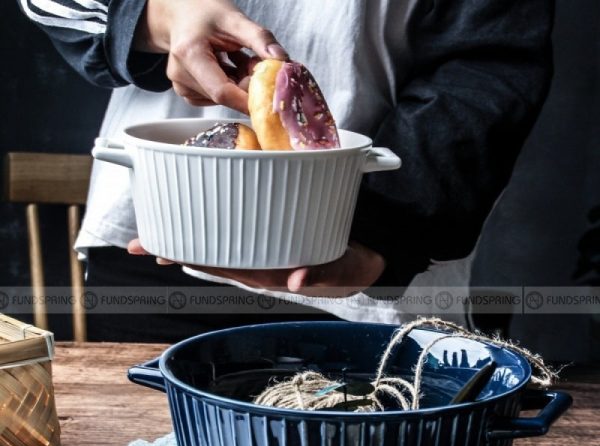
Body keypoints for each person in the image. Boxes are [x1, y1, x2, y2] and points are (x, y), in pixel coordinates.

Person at [18, 0, 554, 339]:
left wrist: (387, 231)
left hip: (363, 268)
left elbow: (487, 66)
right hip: (160, 234)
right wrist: (156, 15)